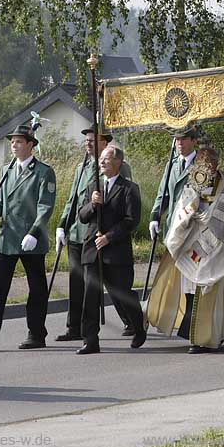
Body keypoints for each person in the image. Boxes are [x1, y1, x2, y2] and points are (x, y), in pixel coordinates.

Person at [146, 143, 224, 353]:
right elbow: (181, 209)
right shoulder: (193, 183)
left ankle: (209, 336)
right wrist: (187, 216)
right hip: (191, 245)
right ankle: (193, 332)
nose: (204, 168)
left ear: (215, 165)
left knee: (210, 292)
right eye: (200, 164)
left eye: (208, 164)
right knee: (190, 291)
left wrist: (207, 218)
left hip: (216, 247)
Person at [0, 124, 56, 351]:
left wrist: (35, 233)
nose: (13, 146)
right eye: (12, 142)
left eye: (18, 142)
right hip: (7, 237)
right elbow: (0, 202)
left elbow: (45, 207)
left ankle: (36, 334)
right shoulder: (7, 169)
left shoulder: (43, 172)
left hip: (30, 238)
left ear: (30, 144)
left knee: (36, 288)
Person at [54, 128, 133, 342]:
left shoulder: (118, 167)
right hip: (79, 233)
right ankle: (75, 327)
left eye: (93, 140)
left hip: (102, 233)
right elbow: (73, 200)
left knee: (113, 283)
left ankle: (132, 320)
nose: (88, 143)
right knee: (78, 281)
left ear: (105, 143)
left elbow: (120, 200)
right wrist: (62, 224)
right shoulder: (82, 167)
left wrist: (111, 233)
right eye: (86, 140)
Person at [75, 145, 146, 354]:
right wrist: (93, 205)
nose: (102, 162)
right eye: (101, 159)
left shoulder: (129, 188)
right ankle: (90, 339)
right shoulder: (92, 187)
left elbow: (131, 220)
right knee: (90, 295)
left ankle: (138, 326)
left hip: (116, 251)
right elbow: (82, 215)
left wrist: (109, 237)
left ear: (118, 162)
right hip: (92, 249)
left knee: (122, 293)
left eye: (107, 158)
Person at [149, 127, 200, 246]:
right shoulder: (172, 164)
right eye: (177, 139)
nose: (180, 143)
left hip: (192, 228)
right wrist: (154, 216)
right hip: (172, 226)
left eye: (184, 139)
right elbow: (163, 194)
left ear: (194, 141)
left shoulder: (201, 165)